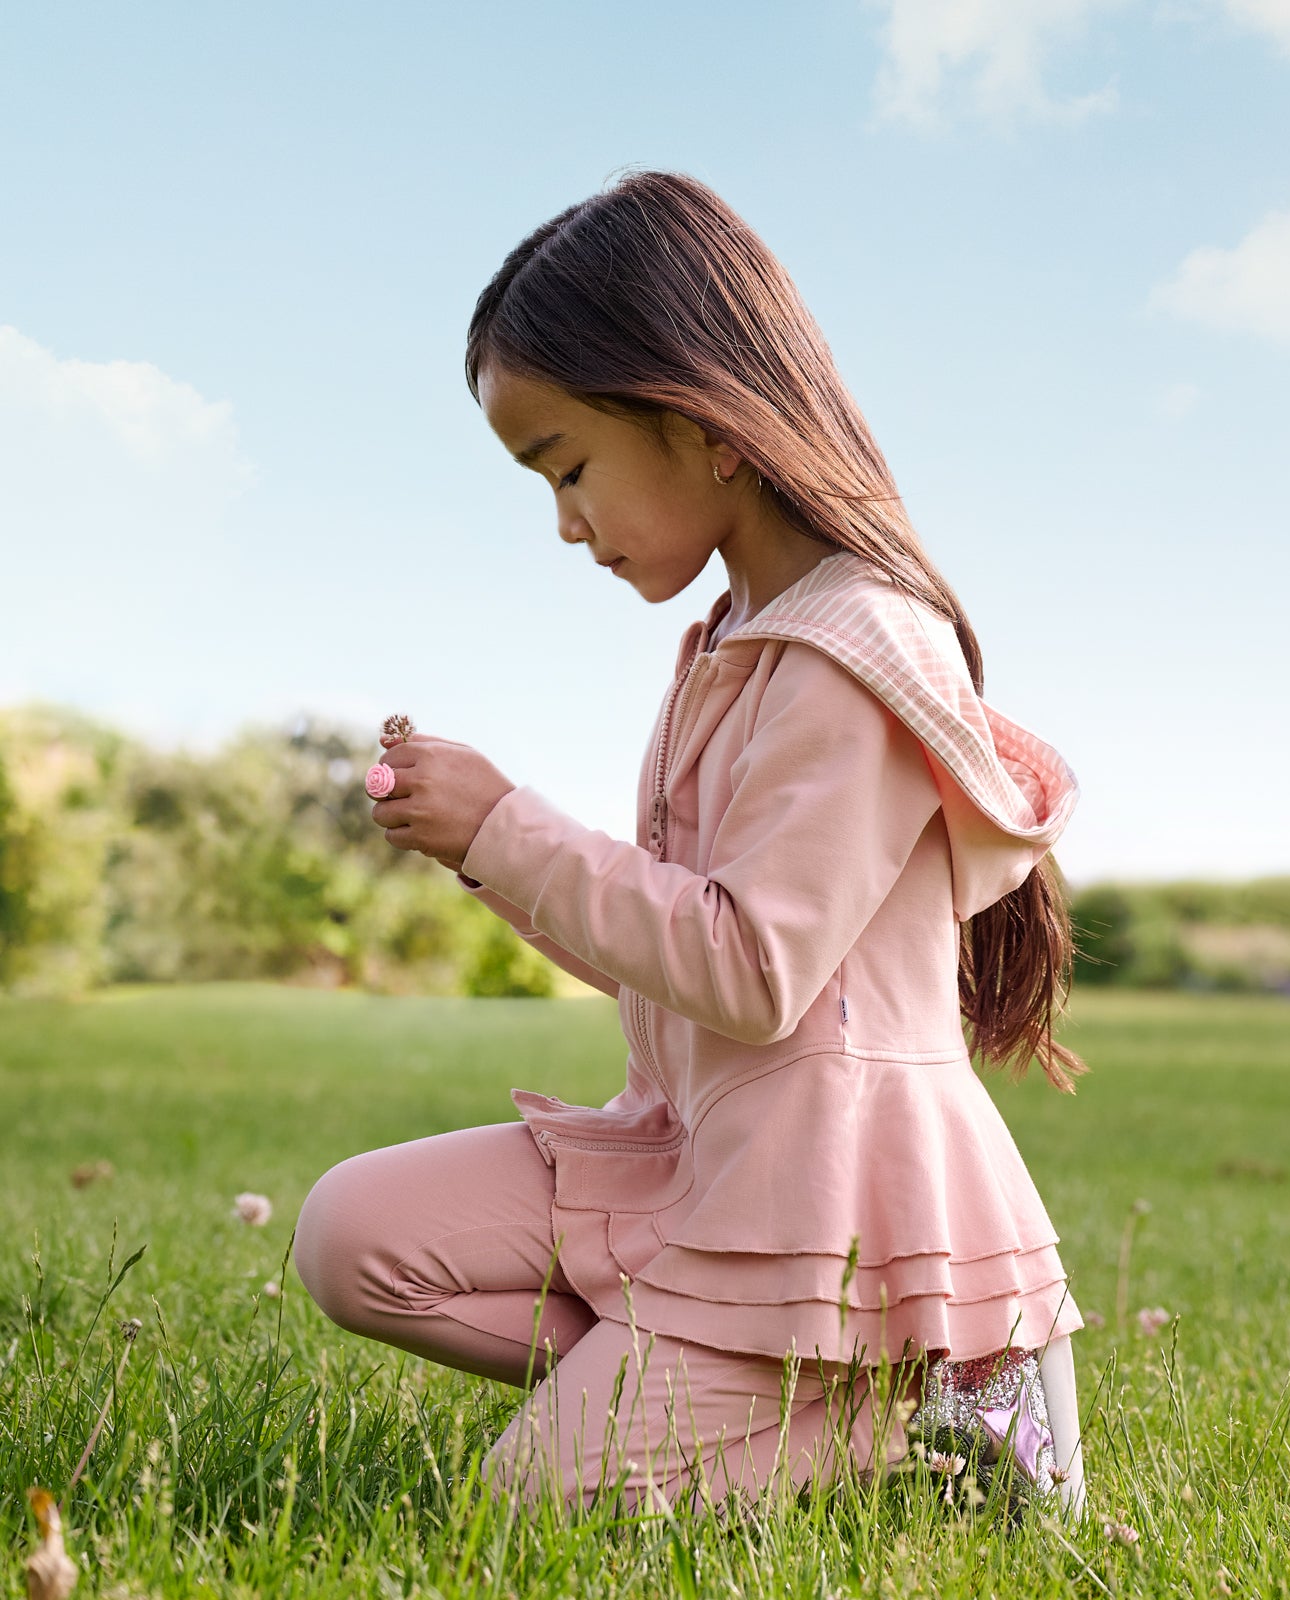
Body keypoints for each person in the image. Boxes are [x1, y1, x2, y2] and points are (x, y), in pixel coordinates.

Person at [293, 169, 1089, 1519]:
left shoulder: (856, 648)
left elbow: (752, 969)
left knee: (527, 1518)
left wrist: (508, 825)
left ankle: (922, 1419)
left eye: (569, 467)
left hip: (820, 1207)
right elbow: (667, 944)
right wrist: (476, 850)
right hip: (705, 1154)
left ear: (703, 421)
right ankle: (718, 1400)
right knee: (353, 1239)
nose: (565, 522)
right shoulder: (732, 644)